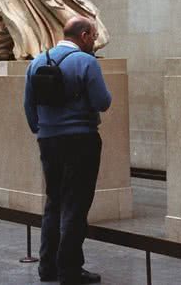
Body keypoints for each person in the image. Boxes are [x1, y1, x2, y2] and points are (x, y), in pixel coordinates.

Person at [23, 16, 111, 285]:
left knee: (54, 202)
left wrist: (42, 129)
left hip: (48, 140)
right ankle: (69, 270)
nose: (95, 42)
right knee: (75, 205)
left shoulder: (37, 61)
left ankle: (47, 266)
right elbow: (102, 102)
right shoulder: (86, 62)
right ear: (84, 35)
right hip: (80, 140)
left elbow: (29, 106)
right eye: (93, 36)